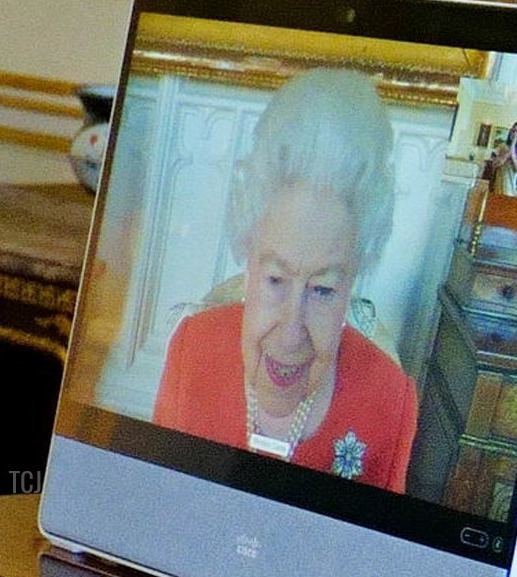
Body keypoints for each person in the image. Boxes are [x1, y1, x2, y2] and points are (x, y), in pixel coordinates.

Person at [152, 68, 418, 493]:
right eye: (276, 279)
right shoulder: (192, 351)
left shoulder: (390, 401)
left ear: (353, 281)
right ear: (249, 258)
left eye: (323, 289)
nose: (292, 332)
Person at [495, 122, 517, 195]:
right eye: (513, 131)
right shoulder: (502, 146)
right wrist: (507, 154)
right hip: (499, 181)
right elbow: (495, 164)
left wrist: (513, 155)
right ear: (510, 132)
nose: (514, 133)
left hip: (510, 184)